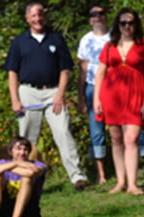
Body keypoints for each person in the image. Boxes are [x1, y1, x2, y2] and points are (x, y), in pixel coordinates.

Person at [6, 2, 89, 191]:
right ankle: (21, 177)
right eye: (33, 16)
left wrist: (60, 95)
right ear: (27, 19)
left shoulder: (56, 39)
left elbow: (65, 69)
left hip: (53, 93)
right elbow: (12, 72)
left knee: (63, 133)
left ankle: (77, 177)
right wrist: (15, 100)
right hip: (28, 93)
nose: (37, 19)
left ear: (45, 16)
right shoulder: (20, 41)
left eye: (40, 15)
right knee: (25, 139)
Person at [77, 6, 144, 188]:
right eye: (123, 23)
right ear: (118, 25)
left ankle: (132, 184)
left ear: (136, 24)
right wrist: (97, 100)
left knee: (131, 139)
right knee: (116, 138)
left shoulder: (143, 46)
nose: (127, 26)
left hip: (135, 95)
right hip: (111, 96)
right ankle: (121, 182)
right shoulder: (109, 46)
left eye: (131, 22)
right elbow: (99, 73)